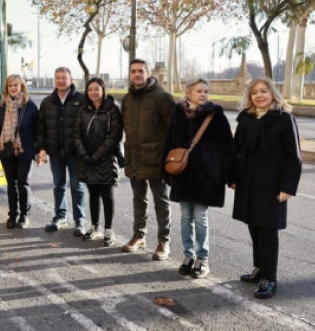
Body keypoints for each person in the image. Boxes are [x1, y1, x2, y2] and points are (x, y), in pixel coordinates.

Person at [229, 77, 301, 299]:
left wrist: (287, 187)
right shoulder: (246, 119)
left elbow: (293, 157)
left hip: (272, 186)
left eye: (263, 91)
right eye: (254, 92)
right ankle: (260, 268)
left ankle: (270, 278)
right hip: (248, 183)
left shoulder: (284, 119)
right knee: (254, 227)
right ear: (249, 97)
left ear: (273, 94)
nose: (259, 95)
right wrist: (232, 176)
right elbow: (236, 150)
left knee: (268, 231)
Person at [162, 78, 235, 279]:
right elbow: (168, 141)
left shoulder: (215, 115)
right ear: (188, 93)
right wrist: (165, 170)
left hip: (205, 176)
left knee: (200, 218)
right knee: (185, 217)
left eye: (206, 91)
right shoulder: (178, 113)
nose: (203, 94)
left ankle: (203, 259)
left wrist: (225, 175)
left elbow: (228, 147)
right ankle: (188, 256)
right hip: (183, 174)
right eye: (199, 91)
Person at [121, 58, 175, 260]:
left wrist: (166, 155)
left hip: (156, 158)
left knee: (161, 201)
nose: (137, 74)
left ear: (148, 72)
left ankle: (164, 241)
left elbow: (173, 129)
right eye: (133, 71)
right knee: (138, 199)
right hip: (134, 157)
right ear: (130, 74)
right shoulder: (127, 99)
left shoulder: (162, 97)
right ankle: (139, 235)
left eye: (141, 71)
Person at [36, 67, 87, 236]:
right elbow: (41, 128)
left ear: (71, 80)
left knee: (77, 186)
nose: (60, 80)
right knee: (58, 185)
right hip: (55, 152)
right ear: (54, 80)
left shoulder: (82, 99)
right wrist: (41, 149)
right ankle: (60, 216)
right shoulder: (47, 102)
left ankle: (80, 221)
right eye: (57, 77)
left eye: (64, 78)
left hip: (75, 153)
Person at [73, 77, 123, 246]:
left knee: (107, 195)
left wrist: (97, 155)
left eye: (97, 89)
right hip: (86, 159)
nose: (93, 92)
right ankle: (95, 227)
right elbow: (76, 133)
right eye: (90, 89)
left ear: (103, 90)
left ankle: (109, 229)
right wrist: (84, 154)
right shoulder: (83, 109)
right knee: (93, 194)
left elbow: (114, 136)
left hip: (106, 159)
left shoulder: (112, 109)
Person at [0, 75, 38, 229]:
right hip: (6, 149)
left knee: (23, 182)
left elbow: (38, 129)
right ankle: (12, 215)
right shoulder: (1, 106)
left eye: (16, 85)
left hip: (25, 149)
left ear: (22, 87)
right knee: (11, 183)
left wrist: (39, 151)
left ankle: (24, 216)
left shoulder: (30, 106)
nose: (13, 88)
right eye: (10, 85)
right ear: (6, 88)